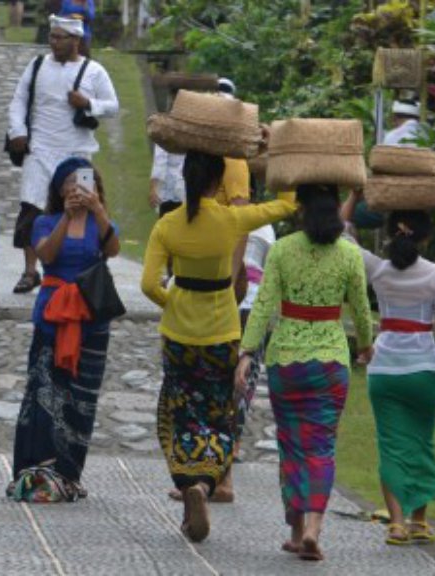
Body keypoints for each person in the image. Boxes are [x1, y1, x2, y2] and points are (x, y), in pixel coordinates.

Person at [141, 151, 297, 543]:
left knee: (178, 410)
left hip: (178, 336)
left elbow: (148, 285)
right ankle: (207, 483)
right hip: (221, 335)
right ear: (217, 181)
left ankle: (187, 478)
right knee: (218, 413)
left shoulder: (168, 224)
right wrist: (280, 161)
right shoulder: (232, 219)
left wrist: (174, 303)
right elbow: (286, 204)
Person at [234, 184, 373, 561]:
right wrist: (365, 343)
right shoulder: (349, 253)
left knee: (292, 446)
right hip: (330, 361)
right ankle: (313, 527)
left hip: (286, 362)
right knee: (321, 447)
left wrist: (247, 351)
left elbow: (262, 305)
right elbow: (361, 306)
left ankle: (296, 532)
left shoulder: (282, 249)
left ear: (300, 210)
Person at [341, 190, 435, 545]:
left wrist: (354, 195)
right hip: (422, 372)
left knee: (391, 444)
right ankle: (418, 521)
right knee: (420, 445)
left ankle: (396, 523)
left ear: (390, 233)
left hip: (384, 372)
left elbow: (340, 231)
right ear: (426, 236)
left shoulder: (378, 270)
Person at [12, 157, 120, 497]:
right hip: (54, 313)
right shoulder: (45, 221)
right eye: (70, 183)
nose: (77, 188)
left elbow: (113, 248)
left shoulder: (99, 221)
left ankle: (70, 473)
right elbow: (46, 255)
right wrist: (68, 218)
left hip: (90, 315)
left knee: (81, 397)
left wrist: (97, 210)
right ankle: (38, 469)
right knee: (45, 388)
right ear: (59, 190)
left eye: (84, 181)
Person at [7, 15, 118, 294]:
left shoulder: (94, 71)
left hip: (79, 152)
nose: (54, 42)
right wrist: (17, 130)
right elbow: (19, 100)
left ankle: (81, 266)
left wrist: (88, 103)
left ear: (76, 40)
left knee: (83, 205)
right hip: (40, 149)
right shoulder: (36, 66)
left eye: (60, 37)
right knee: (31, 208)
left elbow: (112, 105)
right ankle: (30, 271)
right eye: (52, 36)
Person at [233, 222, 275, 460]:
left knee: (235, 373)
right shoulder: (266, 226)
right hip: (253, 302)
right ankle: (234, 441)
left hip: (233, 298)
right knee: (247, 374)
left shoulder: (223, 215)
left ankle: (230, 438)